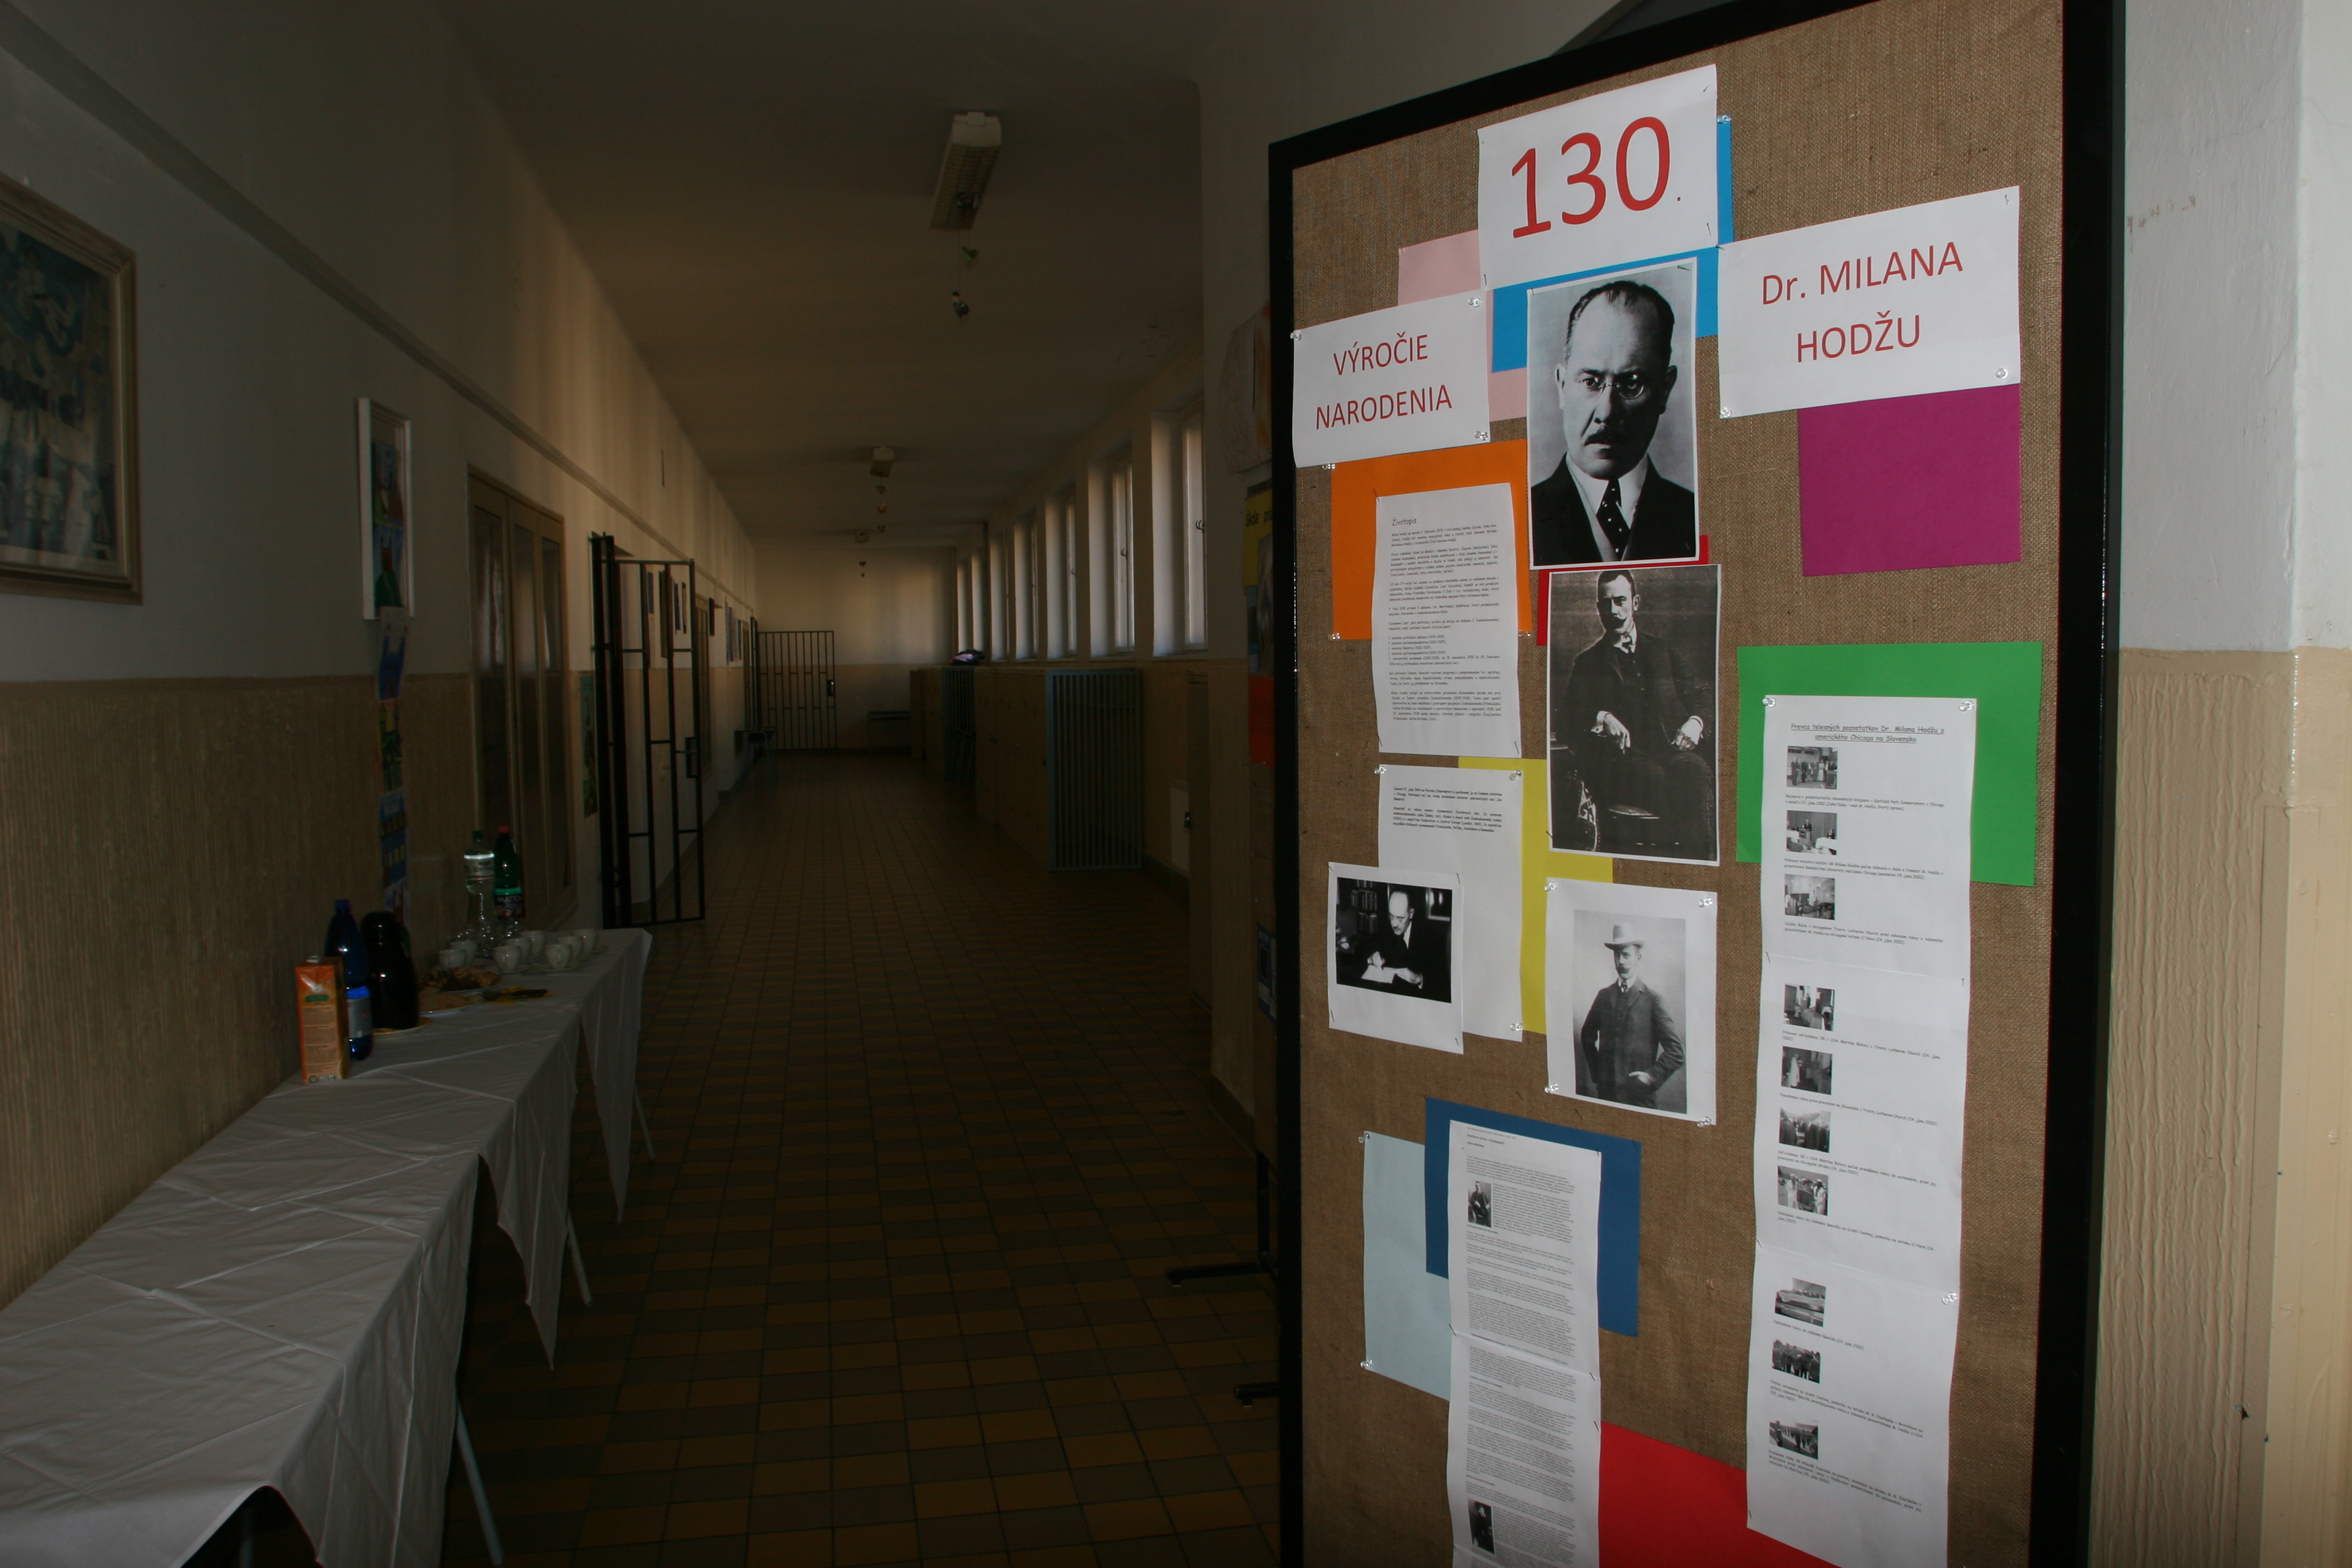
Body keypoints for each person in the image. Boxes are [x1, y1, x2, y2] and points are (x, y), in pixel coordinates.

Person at [1530, 279, 1695, 567]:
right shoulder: (1524, 513)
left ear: (1664, 390)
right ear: (1562, 386)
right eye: (1590, 382)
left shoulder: (1693, 514)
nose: (1606, 412)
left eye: (1631, 384)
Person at [1553, 570, 1713, 854]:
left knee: (1695, 772)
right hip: (1623, 761)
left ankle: (1698, 860)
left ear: (1635, 603)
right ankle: (1681, 856)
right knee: (1657, 779)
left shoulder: (1664, 650)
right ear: (1598, 608)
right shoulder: (1588, 662)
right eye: (1606, 604)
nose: (1613, 611)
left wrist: (1696, 722)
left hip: (1671, 749)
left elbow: (1701, 694)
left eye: (1620, 601)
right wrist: (1603, 717)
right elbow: (1565, 720)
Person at [1575, 924, 1685, 1110]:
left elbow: (1676, 1052)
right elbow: (1587, 1036)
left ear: (1638, 958)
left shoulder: (1653, 1000)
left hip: (1639, 1099)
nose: (1621, 962)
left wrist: (1650, 1077)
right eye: (1617, 955)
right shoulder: (1604, 996)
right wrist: (1598, 1073)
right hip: (1606, 1096)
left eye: (1626, 955)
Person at [1359, 887, 1451, 1001]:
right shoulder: (1387, 930)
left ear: (1411, 914)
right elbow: (1363, 946)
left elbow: (1443, 983)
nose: (1394, 924)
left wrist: (1419, 979)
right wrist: (1373, 955)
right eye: (1391, 916)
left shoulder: (1431, 938)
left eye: (1400, 918)